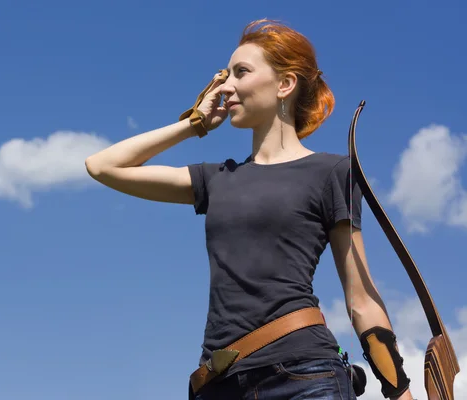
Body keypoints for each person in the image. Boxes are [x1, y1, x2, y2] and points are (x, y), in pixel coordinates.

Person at [85, 19, 414, 400]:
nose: (225, 87)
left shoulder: (332, 172)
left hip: (304, 375)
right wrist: (194, 124)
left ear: (284, 84)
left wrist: (399, 391)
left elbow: (361, 298)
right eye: (226, 76)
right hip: (218, 382)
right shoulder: (217, 178)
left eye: (241, 72)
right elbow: (103, 166)